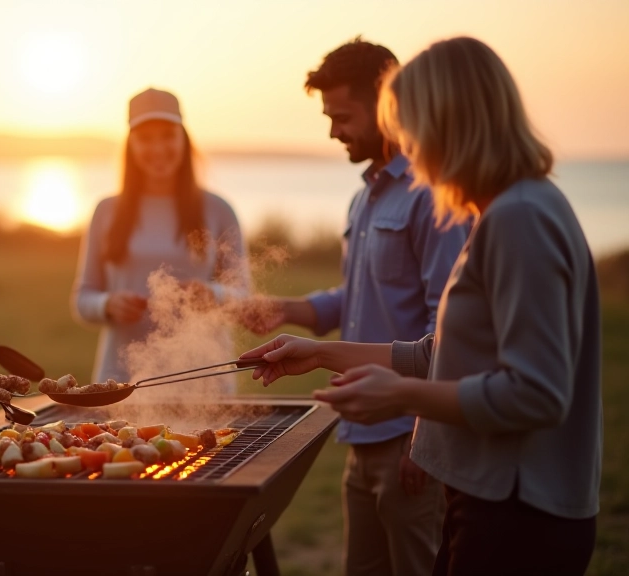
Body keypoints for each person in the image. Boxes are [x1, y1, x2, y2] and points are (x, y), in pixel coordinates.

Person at [243, 36, 601, 576]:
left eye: (409, 128)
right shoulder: (503, 212)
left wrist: (405, 398)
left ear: (449, 124)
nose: (406, 147)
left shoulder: (520, 218)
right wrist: (320, 353)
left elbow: (537, 393)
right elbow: (445, 352)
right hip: (489, 499)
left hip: (520, 512)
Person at [239, 38, 468, 576]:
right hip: (360, 434)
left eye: (342, 116)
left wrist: (424, 436)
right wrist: (284, 309)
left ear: (389, 101)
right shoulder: (365, 197)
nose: (333, 131)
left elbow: (449, 329)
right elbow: (358, 297)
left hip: (409, 437)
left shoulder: (432, 196)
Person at [72, 88, 248, 385]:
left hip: (203, 379)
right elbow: (82, 299)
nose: (158, 148)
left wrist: (212, 295)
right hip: (121, 380)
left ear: (184, 140)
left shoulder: (218, 209)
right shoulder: (107, 211)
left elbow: (244, 298)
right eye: (146, 138)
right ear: (131, 146)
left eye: (167, 135)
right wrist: (108, 304)